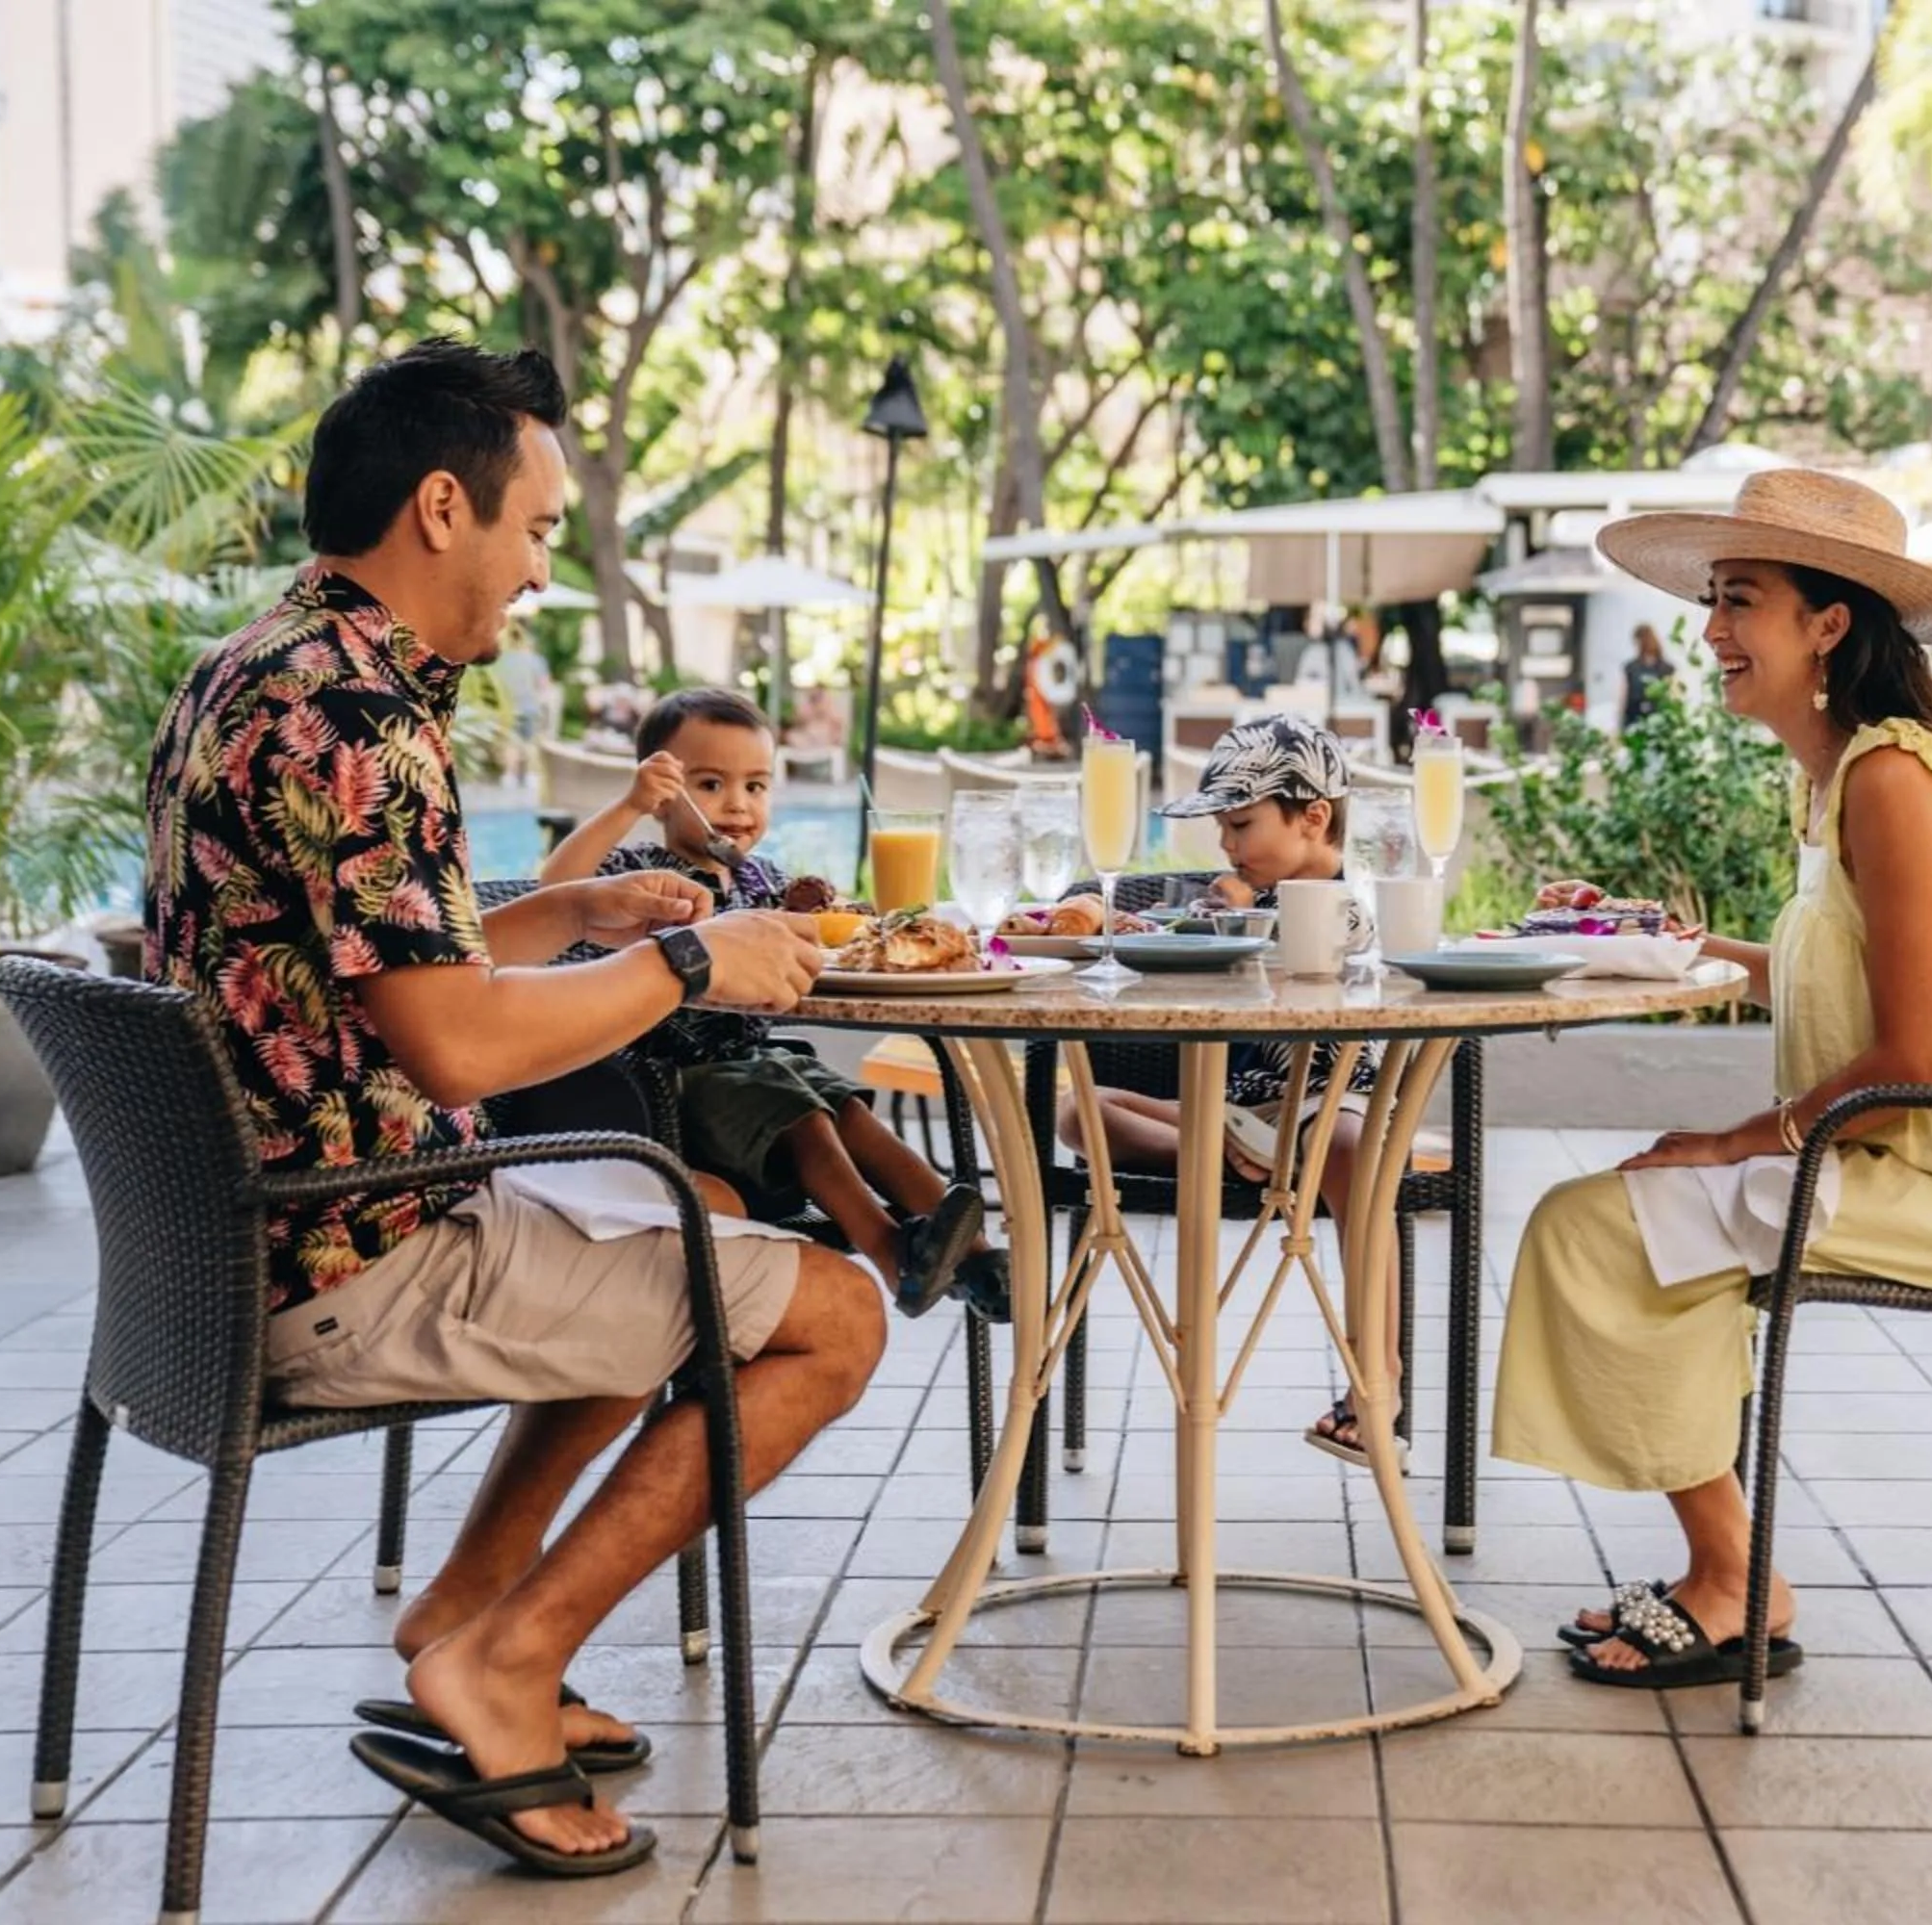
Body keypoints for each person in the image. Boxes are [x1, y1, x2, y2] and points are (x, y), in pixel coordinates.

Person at [144, 338, 880, 1875]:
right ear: (438, 508)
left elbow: (394, 965)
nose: (544, 569)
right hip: (347, 1259)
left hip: (263, 1236)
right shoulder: (358, 723)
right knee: (837, 1317)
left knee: (673, 1228)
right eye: (538, 530)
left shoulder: (267, 666)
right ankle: (507, 1662)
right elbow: (464, 1051)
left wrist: (583, 921)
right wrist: (691, 958)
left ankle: (461, 1612)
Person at [1491, 469, 1932, 1689]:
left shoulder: (1889, 779)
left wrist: (1737, 1139)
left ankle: (1733, 1581)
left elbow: (1916, 1059)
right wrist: (1654, 935)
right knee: (1619, 1223)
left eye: (1739, 600)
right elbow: (1833, 983)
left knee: (1600, 1226)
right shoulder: (1840, 774)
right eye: (1714, 599)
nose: (1710, 631)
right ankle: (1730, 1570)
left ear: (1828, 622)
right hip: (1897, 1153)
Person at [538, 684, 1003, 1321]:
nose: (736, 805)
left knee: (847, 1109)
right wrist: (626, 805)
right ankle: (892, 1253)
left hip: (756, 1064)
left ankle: (979, 1260)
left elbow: (830, 939)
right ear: (663, 795)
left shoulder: (763, 882)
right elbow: (554, 890)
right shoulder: (641, 871)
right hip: (670, 1087)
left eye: (755, 787)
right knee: (805, 1115)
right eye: (709, 785)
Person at [1051, 713, 1397, 1461]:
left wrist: (1244, 930)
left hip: (1331, 1096)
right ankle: (1242, 1152)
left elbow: (1352, 986)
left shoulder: (1350, 903)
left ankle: (1379, 1379)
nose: (1228, 844)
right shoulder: (1243, 903)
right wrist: (1199, 928)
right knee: (1079, 1111)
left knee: (1347, 1145)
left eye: (1241, 823)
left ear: (1313, 818)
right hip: (1242, 1107)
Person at [1619, 620, 1676, 729]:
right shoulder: (1630, 668)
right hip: (1634, 722)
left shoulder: (1667, 668)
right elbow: (1623, 698)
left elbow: (1673, 697)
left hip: (1659, 725)